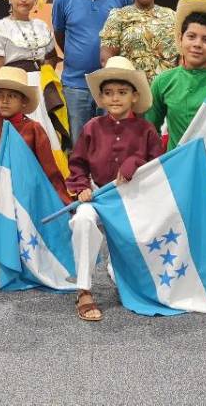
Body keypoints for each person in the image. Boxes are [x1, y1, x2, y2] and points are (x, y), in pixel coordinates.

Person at [67, 56, 162, 322]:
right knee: (82, 219)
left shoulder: (146, 130)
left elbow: (159, 168)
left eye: (122, 92)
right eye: (108, 93)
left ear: (134, 96)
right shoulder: (91, 127)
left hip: (135, 201)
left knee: (132, 270)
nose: (115, 98)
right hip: (99, 197)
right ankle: (84, 289)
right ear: (101, 98)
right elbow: (77, 164)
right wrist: (81, 187)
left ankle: (123, 272)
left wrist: (137, 162)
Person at [0, 0, 68, 174]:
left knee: (45, 136)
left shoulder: (42, 26)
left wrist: (45, 75)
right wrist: (5, 97)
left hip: (39, 89)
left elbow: (51, 56)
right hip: (13, 87)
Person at [52, 0, 134, 144]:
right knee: (79, 144)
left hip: (112, 85)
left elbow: (128, 36)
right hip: (75, 85)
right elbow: (60, 35)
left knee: (112, 144)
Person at [143, 0, 206, 150]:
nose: (197, 44)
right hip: (174, 163)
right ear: (180, 39)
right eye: (191, 36)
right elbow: (149, 132)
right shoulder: (163, 81)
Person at [0, 66, 71, 211]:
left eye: (12, 96)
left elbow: (50, 171)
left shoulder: (34, 129)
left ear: (24, 101)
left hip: (28, 202)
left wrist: (63, 204)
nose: (5, 101)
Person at [99, 0, 178, 82]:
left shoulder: (173, 17)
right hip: (131, 89)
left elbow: (183, 57)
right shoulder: (118, 16)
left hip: (168, 89)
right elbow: (107, 60)